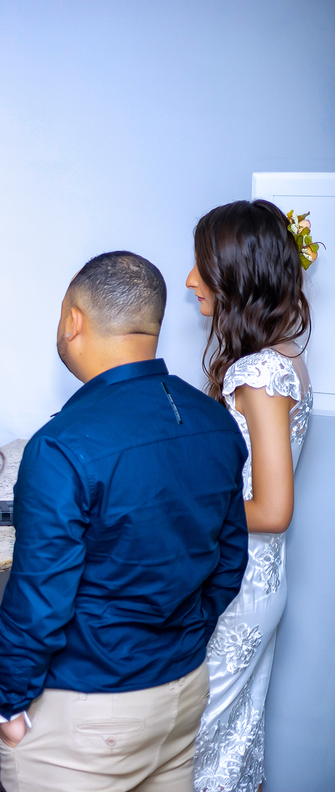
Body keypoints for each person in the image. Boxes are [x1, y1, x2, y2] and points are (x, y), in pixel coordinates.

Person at [0, 252, 249, 792]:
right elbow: (229, 562)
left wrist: (5, 703)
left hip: (89, 712)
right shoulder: (215, 422)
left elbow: (40, 599)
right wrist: (182, 641)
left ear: (73, 321)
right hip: (182, 694)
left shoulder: (61, 445)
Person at [187, 200, 313, 792]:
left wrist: (184, 507)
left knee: (196, 747)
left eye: (201, 266)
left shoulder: (258, 373)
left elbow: (273, 509)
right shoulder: (281, 356)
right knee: (231, 743)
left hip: (239, 587)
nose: (191, 279)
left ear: (234, 276)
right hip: (258, 581)